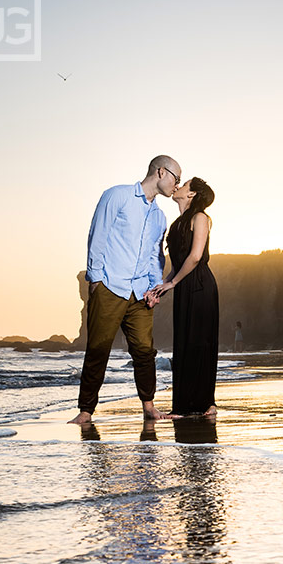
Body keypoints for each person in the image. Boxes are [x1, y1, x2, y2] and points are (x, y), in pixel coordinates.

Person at [69, 155, 182, 425]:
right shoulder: (117, 196)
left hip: (141, 293)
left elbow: (156, 256)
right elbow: (97, 235)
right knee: (98, 349)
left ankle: (149, 406)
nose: (177, 185)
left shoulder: (159, 216)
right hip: (110, 285)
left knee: (144, 352)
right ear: (161, 171)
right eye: (176, 179)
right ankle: (86, 411)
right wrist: (95, 279)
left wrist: (155, 288)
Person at [148, 177, 218, 417]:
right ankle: (187, 405)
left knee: (199, 341)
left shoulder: (200, 218)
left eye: (185, 184)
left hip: (199, 285)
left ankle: (203, 404)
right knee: (185, 342)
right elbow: (178, 261)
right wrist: (163, 285)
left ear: (192, 194)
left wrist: (173, 283)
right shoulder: (179, 221)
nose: (179, 186)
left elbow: (196, 256)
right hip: (184, 284)